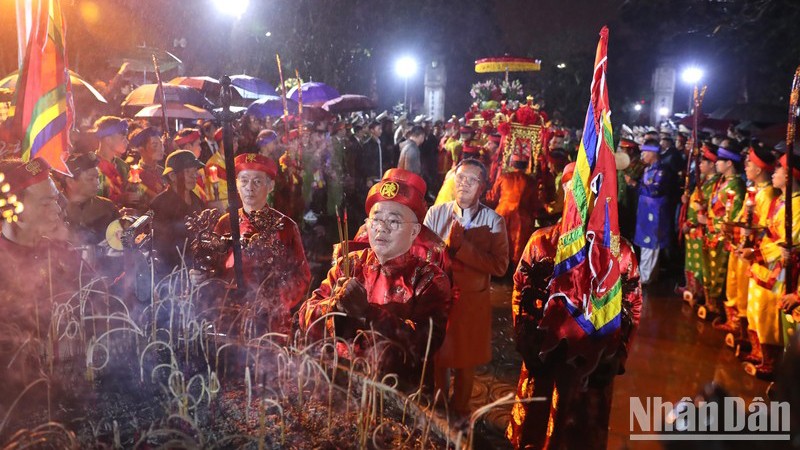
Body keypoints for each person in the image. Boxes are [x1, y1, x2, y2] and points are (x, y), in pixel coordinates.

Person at [506, 162, 642, 449]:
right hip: (544, 356)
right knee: (536, 423)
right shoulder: (541, 241)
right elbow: (521, 289)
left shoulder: (620, 251)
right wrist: (527, 338)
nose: (579, 199)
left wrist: (615, 354)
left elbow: (631, 301)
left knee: (580, 432)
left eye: (590, 192)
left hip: (591, 365)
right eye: (572, 189)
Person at [298, 170, 451, 382]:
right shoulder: (349, 264)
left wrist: (368, 313)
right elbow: (306, 316)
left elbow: (422, 348)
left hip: (395, 391)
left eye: (394, 222)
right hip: (340, 382)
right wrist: (335, 308)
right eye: (376, 220)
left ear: (415, 232)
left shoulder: (429, 279)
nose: (382, 229)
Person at [424, 159, 509, 417]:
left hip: (472, 301)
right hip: (439, 298)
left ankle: (460, 412)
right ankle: (438, 410)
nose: (463, 185)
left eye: (471, 180)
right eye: (460, 178)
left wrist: (463, 248)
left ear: (482, 186)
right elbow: (424, 255)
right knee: (438, 356)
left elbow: (500, 266)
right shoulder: (436, 213)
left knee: (465, 361)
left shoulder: (494, 221)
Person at [191, 153, 310, 334]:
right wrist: (201, 276)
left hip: (270, 322)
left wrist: (274, 302)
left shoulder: (285, 227)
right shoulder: (225, 223)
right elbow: (213, 265)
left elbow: (302, 277)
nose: (249, 188)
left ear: (270, 186)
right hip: (229, 318)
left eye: (257, 182)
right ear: (236, 184)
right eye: (244, 181)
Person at [740, 153, 800, 379]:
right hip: (764, 261)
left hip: (779, 268)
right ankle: (759, 353)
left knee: (769, 313)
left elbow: (788, 243)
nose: (773, 173)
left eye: (778, 170)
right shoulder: (779, 200)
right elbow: (766, 229)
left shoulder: (797, 205)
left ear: (790, 175)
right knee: (756, 308)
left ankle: (772, 361)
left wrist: (757, 253)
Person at [717, 146, 777, 349]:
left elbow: (766, 228)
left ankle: (744, 333)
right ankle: (735, 323)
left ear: (759, 169)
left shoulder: (767, 195)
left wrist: (749, 241)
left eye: (749, 163)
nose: (746, 166)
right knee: (734, 284)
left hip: (752, 251)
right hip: (742, 245)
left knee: (745, 292)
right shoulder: (756, 191)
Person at [701, 142, 745, 319]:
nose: (716, 163)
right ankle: (710, 306)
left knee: (720, 274)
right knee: (710, 271)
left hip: (721, 237)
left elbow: (732, 218)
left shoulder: (737, 186)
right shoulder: (722, 182)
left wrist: (709, 221)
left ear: (729, 164)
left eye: (720, 160)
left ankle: (719, 310)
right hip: (711, 233)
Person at [150, 150, 206, 274]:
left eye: (195, 171)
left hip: (196, 269)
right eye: (187, 172)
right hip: (173, 273)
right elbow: (161, 248)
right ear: (172, 176)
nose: (194, 176)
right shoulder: (160, 205)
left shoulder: (197, 201)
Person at [678, 144, 719, 304]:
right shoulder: (703, 180)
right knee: (691, 261)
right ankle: (691, 288)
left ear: (712, 165)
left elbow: (704, 207)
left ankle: (699, 292)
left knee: (699, 264)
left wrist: (690, 222)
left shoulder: (714, 184)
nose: (700, 165)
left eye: (704, 162)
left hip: (700, 229)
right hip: (693, 231)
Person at [628, 139, 671, 285]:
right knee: (646, 245)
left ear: (653, 153)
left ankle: (646, 278)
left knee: (651, 245)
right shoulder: (648, 169)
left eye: (645, 152)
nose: (643, 156)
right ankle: (648, 275)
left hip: (654, 214)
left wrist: (635, 184)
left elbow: (654, 191)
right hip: (645, 213)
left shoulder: (661, 171)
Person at [486, 153, 538, 266]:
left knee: (499, 240)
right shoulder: (531, 181)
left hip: (502, 213)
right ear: (526, 166)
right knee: (517, 245)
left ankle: (495, 267)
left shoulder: (503, 177)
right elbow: (535, 204)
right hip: (521, 217)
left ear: (512, 164)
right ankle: (514, 273)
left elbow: (493, 197)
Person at [91, 116, 130, 206]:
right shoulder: (91, 166)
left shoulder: (123, 166)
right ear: (108, 140)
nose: (127, 142)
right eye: (122, 138)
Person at [128, 127, 165, 205]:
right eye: (155, 145)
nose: (161, 149)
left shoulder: (163, 171)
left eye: (161, 144)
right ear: (141, 149)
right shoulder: (135, 175)